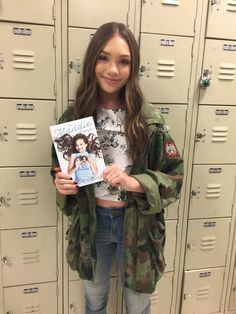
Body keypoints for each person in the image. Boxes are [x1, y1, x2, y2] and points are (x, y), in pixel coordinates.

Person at [51, 22, 184, 314]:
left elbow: (175, 178)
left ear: (133, 67)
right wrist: (61, 184)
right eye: (103, 57)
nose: (112, 70)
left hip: (136, 225)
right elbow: (59, 171)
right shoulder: (74, 119)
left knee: (138, 305)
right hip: (92, 223)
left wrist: (135, 183)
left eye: (123, 61)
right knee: (95, 301)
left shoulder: (149, 121)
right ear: (91, 62)